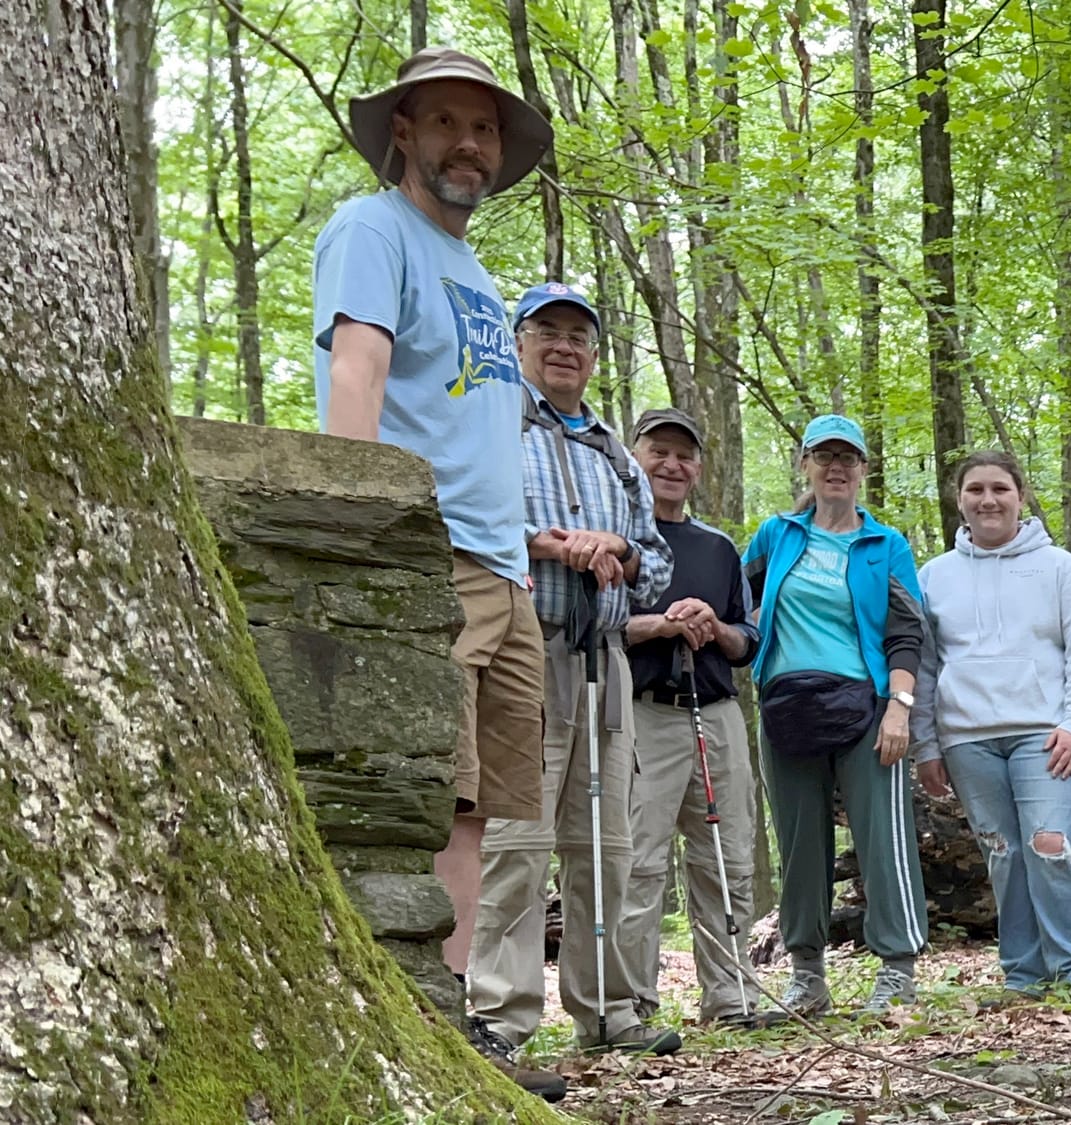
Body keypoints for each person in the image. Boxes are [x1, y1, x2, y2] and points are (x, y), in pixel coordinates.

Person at [311, 47, 564, 1100]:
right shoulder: (372, 229)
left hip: (503, 572)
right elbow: (357, 365)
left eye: (487, 129)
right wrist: (363, 516)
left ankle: (455, 1023)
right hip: (428, 551)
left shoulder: (476, 272)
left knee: (475, 806)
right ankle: (391, 1010)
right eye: (449, 122)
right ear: (403, 133)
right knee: (409, 793)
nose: (470, 144)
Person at [466, 283, 679, 1058]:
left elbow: (654, 563)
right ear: (519, 343)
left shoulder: (616, 453)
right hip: (524, 645)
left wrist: (615, 549)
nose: (564, 347)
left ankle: (607, 1009)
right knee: (517, 836)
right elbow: (462, 518)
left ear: (594, 355)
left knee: (606, 843)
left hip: (607, 656)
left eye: (579, 337)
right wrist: (550, 545)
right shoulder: (491, 423)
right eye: (547, 331)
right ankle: (499, 1013)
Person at [742, 415, 928, 1022]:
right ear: (806, 465)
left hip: (868, 707)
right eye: (824, 456)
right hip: (786, 706)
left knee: (882, 839)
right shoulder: (777, 536)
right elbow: (738, 610)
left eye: (848, 457)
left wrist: (899, 707)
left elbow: (907, 631)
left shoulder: (885, 544)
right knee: (798, 843)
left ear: (864, 470)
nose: (836, 467)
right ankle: (806, 975)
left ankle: (897, 970)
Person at [912, 453, 1071, 1007]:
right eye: (975, 489)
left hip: (1043, 733)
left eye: (1000, 488)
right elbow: (925, 665)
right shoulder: (935, 576)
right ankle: (1023, 975)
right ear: (960, 500)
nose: (988, 499)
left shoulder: (1060, 568)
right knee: (1002, 852)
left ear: (1021, 495)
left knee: (1050, 844)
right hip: (967, 738)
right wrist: (927, 743)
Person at [617, 407, 762, 1028]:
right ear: (635, 457)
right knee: (638, 862)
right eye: (659, 453)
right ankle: (630, 1006)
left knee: (727, 858)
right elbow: (597, 627)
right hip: (641, 714)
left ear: (698, 468)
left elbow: (749, 638)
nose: (672, 466)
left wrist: (714, 627)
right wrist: (663, 624)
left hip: (717, 713)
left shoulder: (719, 548)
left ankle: (732, 999)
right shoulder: (618, 540)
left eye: (684, 456)